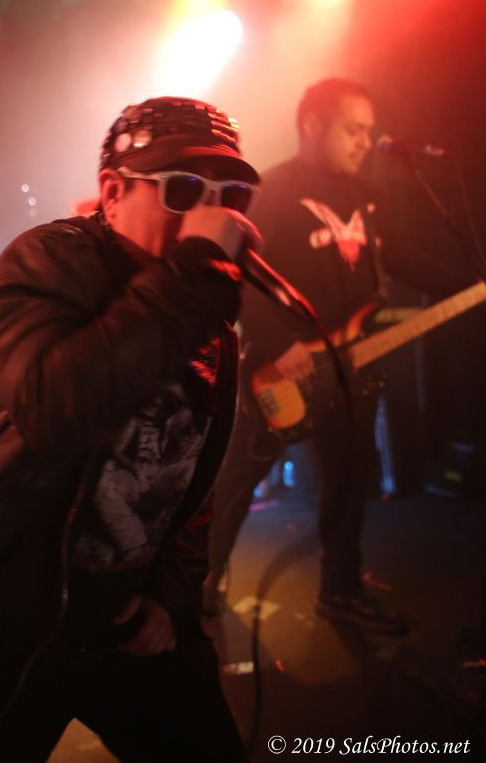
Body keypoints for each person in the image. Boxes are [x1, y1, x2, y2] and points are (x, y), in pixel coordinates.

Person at [0, 96, 262, 762]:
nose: (210, 215)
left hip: (127, 616)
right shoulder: (47, 262)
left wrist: (172, 594)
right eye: (182, 190)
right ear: (112, 194)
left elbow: (190, 469)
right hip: (8, 628)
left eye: (230, 196)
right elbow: (52, 408)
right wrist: (197, 269)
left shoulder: (200, 301)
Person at [204, 77, 477, 632]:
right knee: (235, 480)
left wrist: (470, 284)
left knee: (349, 483)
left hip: (351, 369)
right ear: (313, 125)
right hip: (281, 370)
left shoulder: (365, 195)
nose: (364, 142)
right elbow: (237, 273)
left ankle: (341, 591)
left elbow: (400, 259)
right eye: (353, 129)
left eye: (368, 130)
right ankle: (197, 585)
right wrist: (278, 342)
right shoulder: (273, 190)